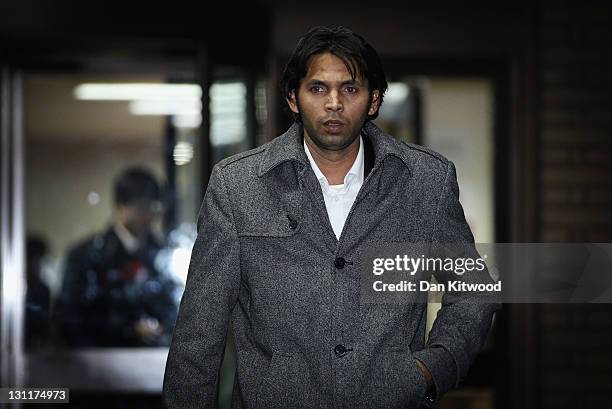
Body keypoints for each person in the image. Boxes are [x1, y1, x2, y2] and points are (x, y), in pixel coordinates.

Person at [163, 26, 500, 408]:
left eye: (350, 89)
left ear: (373, 101)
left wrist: (431, 370)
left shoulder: (425, 181)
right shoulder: (238, 185)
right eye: (318, 88)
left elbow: (475, 289)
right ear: (294, 98)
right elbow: (199, 331)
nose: (334, 103)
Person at [54, 168, 178, 347]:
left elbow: (173, 310)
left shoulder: (163, 255)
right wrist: (128, 329)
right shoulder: (86, 255)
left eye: (154, 207)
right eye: (142, 206)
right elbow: (69, 319)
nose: (149, 216)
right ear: (120, 207)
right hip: (100, 365)